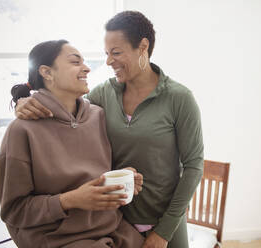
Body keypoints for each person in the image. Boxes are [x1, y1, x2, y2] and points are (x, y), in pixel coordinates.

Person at [14, 11, 204, 248]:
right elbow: (65, 111)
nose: (108, 61)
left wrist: (164, 232)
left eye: (116, 53)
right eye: (106, 54)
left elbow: (194, 166)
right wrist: (24, 101)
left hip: (165, 223)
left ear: (142, 47)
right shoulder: (102, 94)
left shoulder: (179, 98)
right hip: (117, 223)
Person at [0, 40, 145, 248]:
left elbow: (98, 175)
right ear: (47, 73)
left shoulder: (98, 115)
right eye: (75, 62)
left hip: (112, 228)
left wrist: (123, 178)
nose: (86, 68)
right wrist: (70, 200)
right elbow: (14, 211)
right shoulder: (21, 130)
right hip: (58, 239)